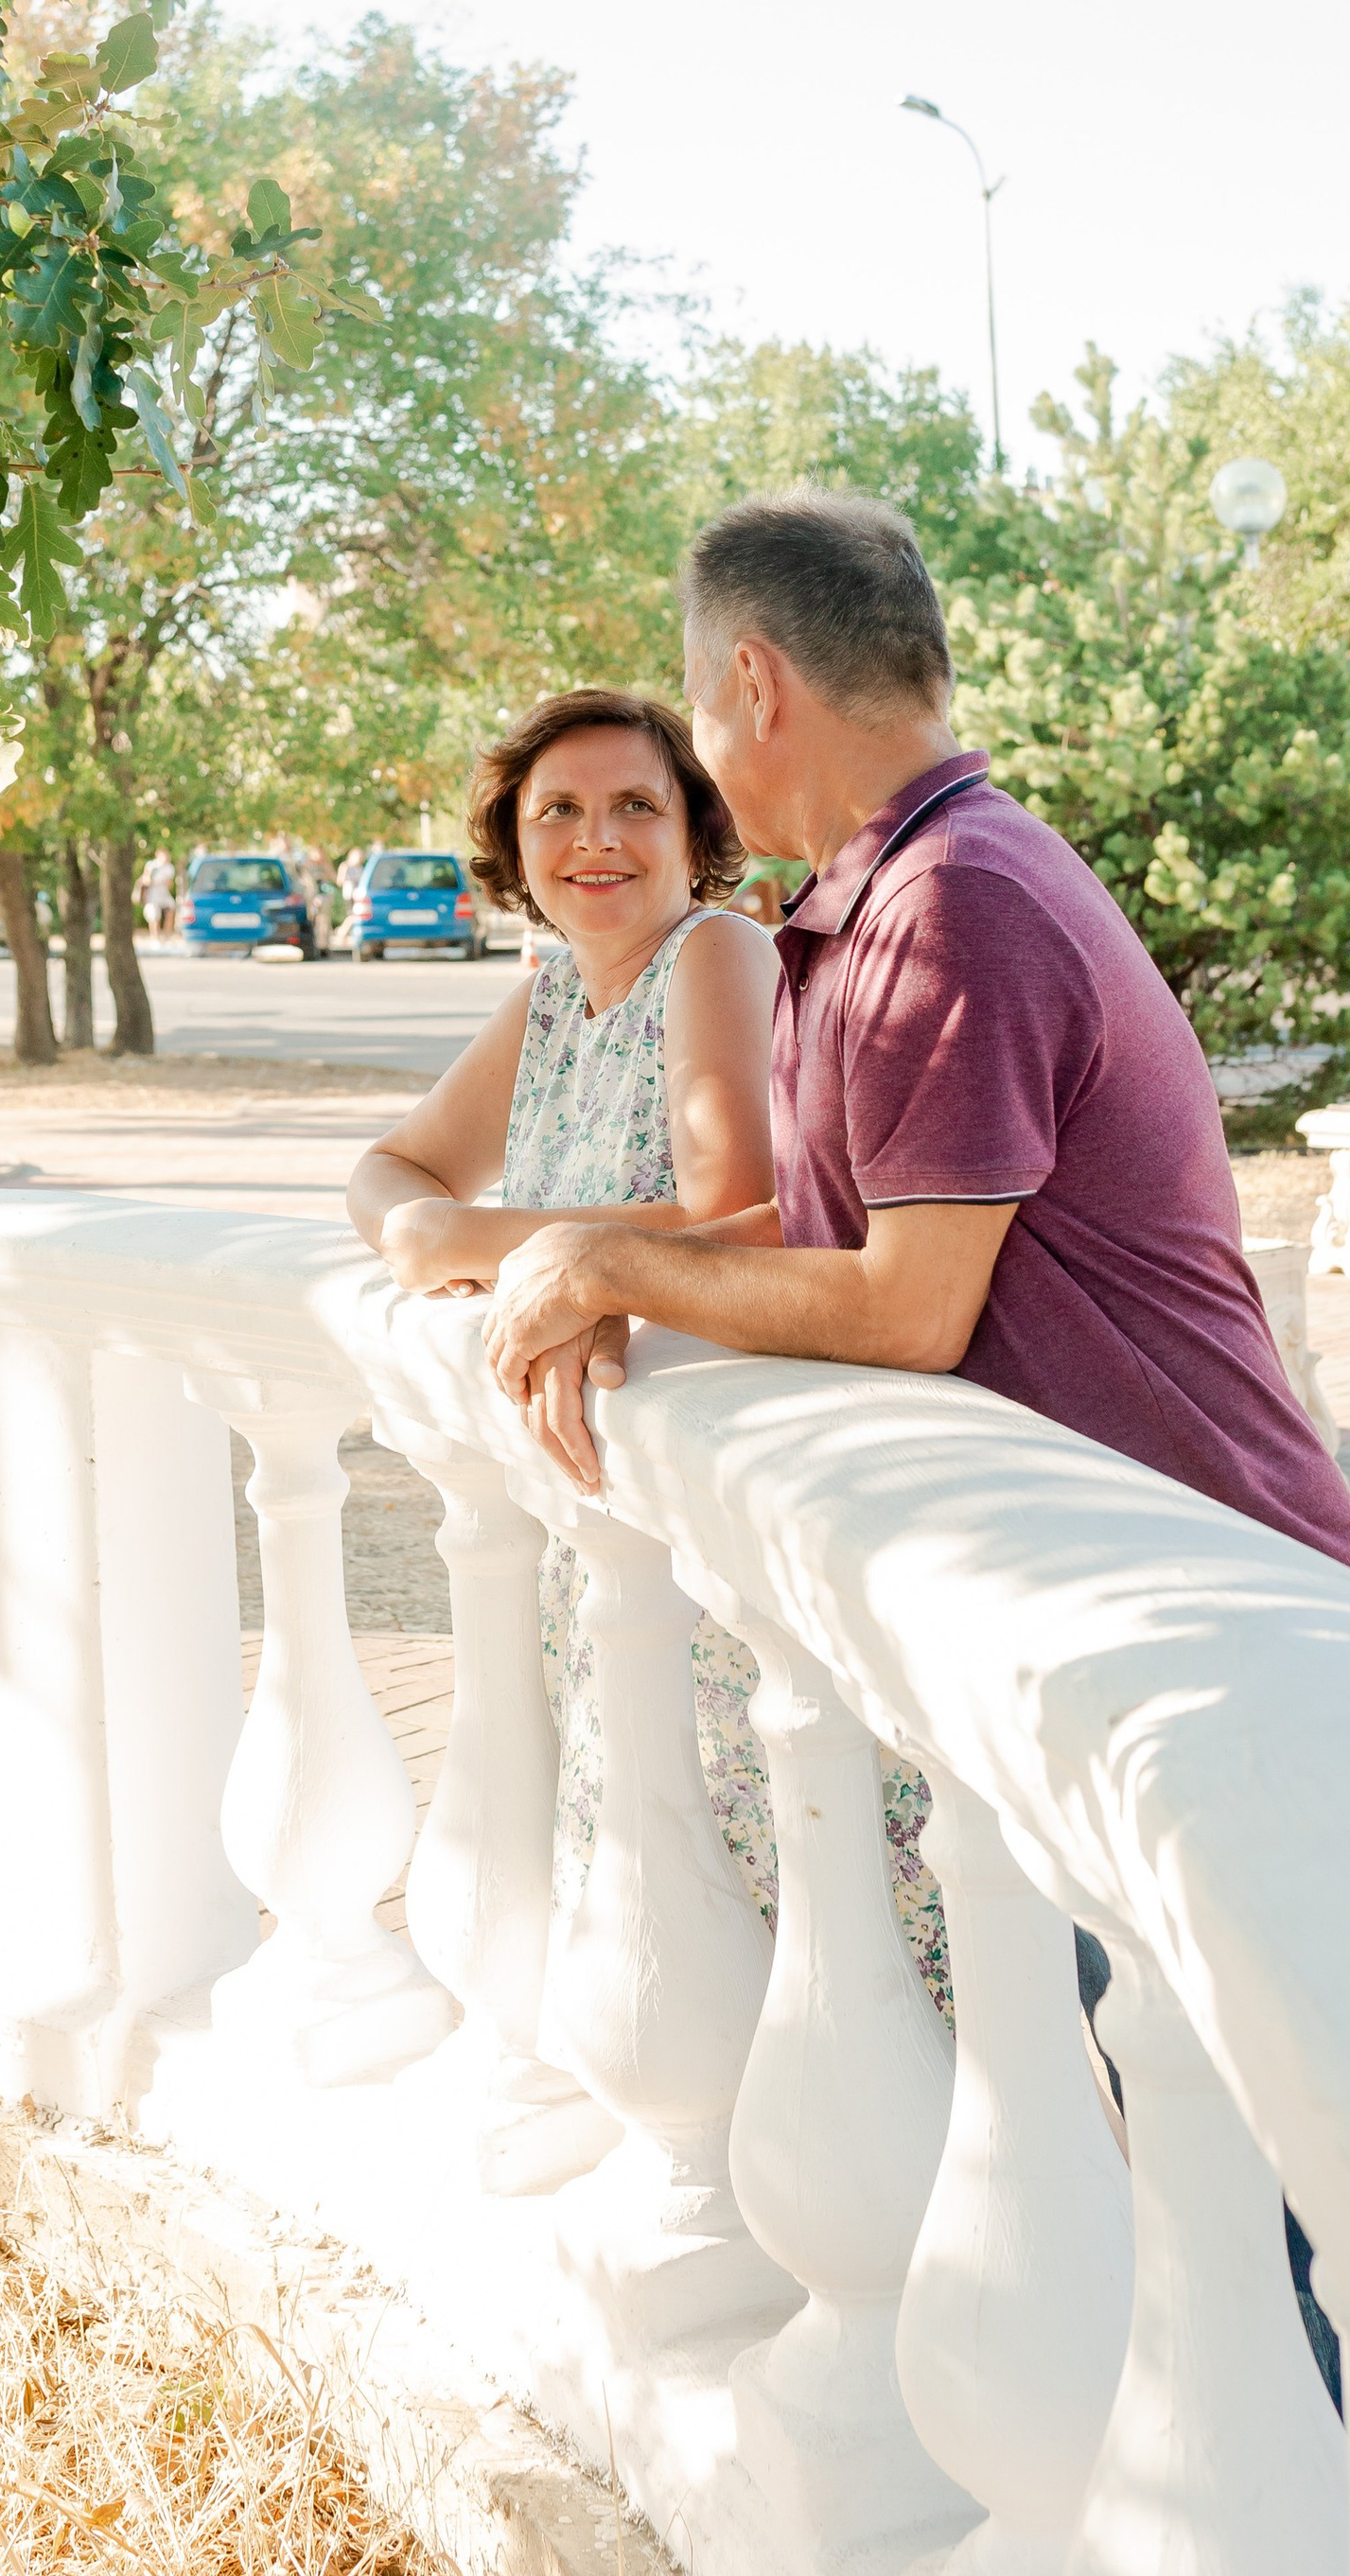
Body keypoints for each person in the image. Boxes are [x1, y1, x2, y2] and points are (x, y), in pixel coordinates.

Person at [482, 490, 1350, 1583]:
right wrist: (611, 1278)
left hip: (1214, 1580)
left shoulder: (952, 901)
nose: (703, 742)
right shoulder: (901, 887)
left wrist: (607, 1265)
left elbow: (908, 1310)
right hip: (1097, 1573)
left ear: (754, 686)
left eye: (696, 694)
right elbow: (836, 1231)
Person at [347, 689, 947, 1969]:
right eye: (556, 810)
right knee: (653, 1879)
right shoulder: (556, 995)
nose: (595, 838)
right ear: (514, 844)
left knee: (785, 1887)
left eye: (636, 805)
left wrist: (500, 1247)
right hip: (603, 1500)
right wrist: (425, 1235)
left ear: (696, 837)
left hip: (720, 1478)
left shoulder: (714, 954)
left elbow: (722, 1207)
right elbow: (395, 1173)